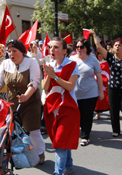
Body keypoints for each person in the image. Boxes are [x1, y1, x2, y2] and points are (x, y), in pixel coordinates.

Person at [0, 39, 45, 164]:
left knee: (32, 130)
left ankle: (40, 153)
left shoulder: (31, 62)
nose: (11, 54)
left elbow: (34, 82)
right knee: (16, 131)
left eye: (14, 51)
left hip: (30, 102)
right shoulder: (5, 63)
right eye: (9, 51)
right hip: (13, 103)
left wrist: (26, 95)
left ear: (22, 52)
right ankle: (23, 152)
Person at [90, 29, 122, 137]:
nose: (117, 47)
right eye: (115, 45)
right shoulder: (110, 57)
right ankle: (116, 130)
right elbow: (98, 47)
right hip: (113, 88)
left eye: (119, 45)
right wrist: (94, 35)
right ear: (113, 47)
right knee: (114, 110)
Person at [43, 37, 80, 175]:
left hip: (68, 108)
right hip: (52, 108)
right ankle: (69, 165)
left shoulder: (72, 64)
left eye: (56, 47)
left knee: (59, 142)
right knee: (62, 139)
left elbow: (70, 87)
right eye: (51, 47)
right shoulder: (50, 65)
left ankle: (57, 173)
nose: (52, 49)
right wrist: (48, 74)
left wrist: (55, 77)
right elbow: (45, 87)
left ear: (64, 51)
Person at [69, 38, 104, 146]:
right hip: (75, 93)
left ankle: (85, 136)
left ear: (87, 48)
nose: (79, 49)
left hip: (90, 93)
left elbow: (99, 76)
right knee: (76, 115)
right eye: (77, 47)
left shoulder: (93, 60)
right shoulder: (71, 59)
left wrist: (101, 92)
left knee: (87, 115)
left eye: (82, 47)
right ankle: (81, 130)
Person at [93, 51, 110, 120]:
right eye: (98, 54)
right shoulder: (95, 62)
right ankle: (97, 114)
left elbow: (108, 72)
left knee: (107, 97)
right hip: (96, 82)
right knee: (97, 98)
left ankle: (110, 111)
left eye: (101, 54)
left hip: (105, 83)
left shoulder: (106, 63)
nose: (100, 55)